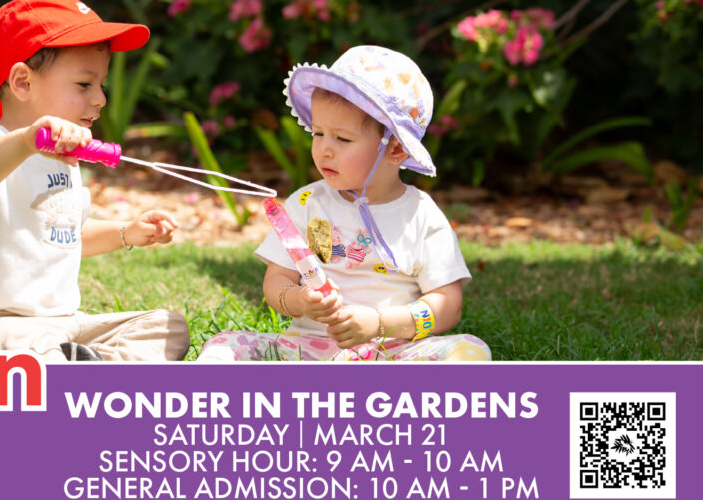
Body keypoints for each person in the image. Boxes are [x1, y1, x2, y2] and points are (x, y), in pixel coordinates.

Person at [0, 0, 190, 362]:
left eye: (101, 85)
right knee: (24, 346)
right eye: (84, 85)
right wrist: (28, 140)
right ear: (23, 83)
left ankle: (88, 370)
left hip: (58, 325)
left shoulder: (64, 160)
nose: (100, 99)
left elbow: (63, 235)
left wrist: (127, 232)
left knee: (167, 327)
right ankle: (69, 370)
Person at [198, 45, 490, 362]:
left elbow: (448, 305)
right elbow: (276, 283)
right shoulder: (307, 203)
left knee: (468, 350)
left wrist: (379, 323)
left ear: (395, 150)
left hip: (393, 352)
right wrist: (299, 300)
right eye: (318, 132)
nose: (323, 149)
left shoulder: (421, 216)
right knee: (226, 344)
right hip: (309, 350)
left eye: (342, 139)